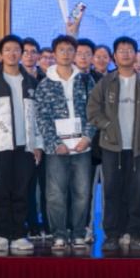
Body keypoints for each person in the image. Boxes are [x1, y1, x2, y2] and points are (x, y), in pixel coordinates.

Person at [88, 36, 140, 249]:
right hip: (112, 146)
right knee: (112, 191)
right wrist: (107, 126)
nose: (126, 54)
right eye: (121, 50)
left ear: (136, 54)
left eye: (130, 50)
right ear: (115, 56)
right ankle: (112, 234)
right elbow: (92, 110)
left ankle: (136, 233)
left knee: (138, 192)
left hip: (139, 147)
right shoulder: (106, 82)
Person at [31, 36, 97, 251]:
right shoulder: (45, 83)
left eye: (70, 50)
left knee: (82, 192)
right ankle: (59, 234)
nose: (66, 54)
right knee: (55, 194)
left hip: (82, 147)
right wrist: (54, 142)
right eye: (62, 50)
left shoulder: (86, 80)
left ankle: (78, 233)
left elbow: (94, 111)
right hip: (56, 149)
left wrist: (87, 137)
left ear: (75, 53)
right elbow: (42, 116)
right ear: (54, 53)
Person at [0, 35, 40, 254]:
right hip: (0, 148)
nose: (12, 53)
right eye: (7, 49)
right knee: (1, 193)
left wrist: (38, 145)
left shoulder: (32, 83)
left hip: (26, 148)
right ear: (1, 54)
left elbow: (39, 118)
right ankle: (2, 235)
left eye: (17, 50)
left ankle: (18, 235)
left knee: (21, 193)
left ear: (22, 54)